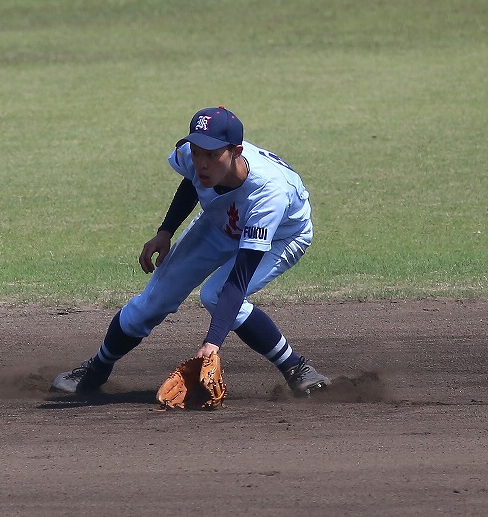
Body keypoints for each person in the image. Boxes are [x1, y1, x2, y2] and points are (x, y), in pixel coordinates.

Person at [51, 106, 330, 397]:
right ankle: (96, 369)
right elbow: (192, 180)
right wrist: (165, 231)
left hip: (280, 237)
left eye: (211, 154)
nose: (202, 163)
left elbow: (238, 280)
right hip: (220, 221)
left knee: (217, 293)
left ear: (235, 151)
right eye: (197, 151)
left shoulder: (269, 194)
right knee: (150, 304)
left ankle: (297, 369)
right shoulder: (194, 158)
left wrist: (212, 344)